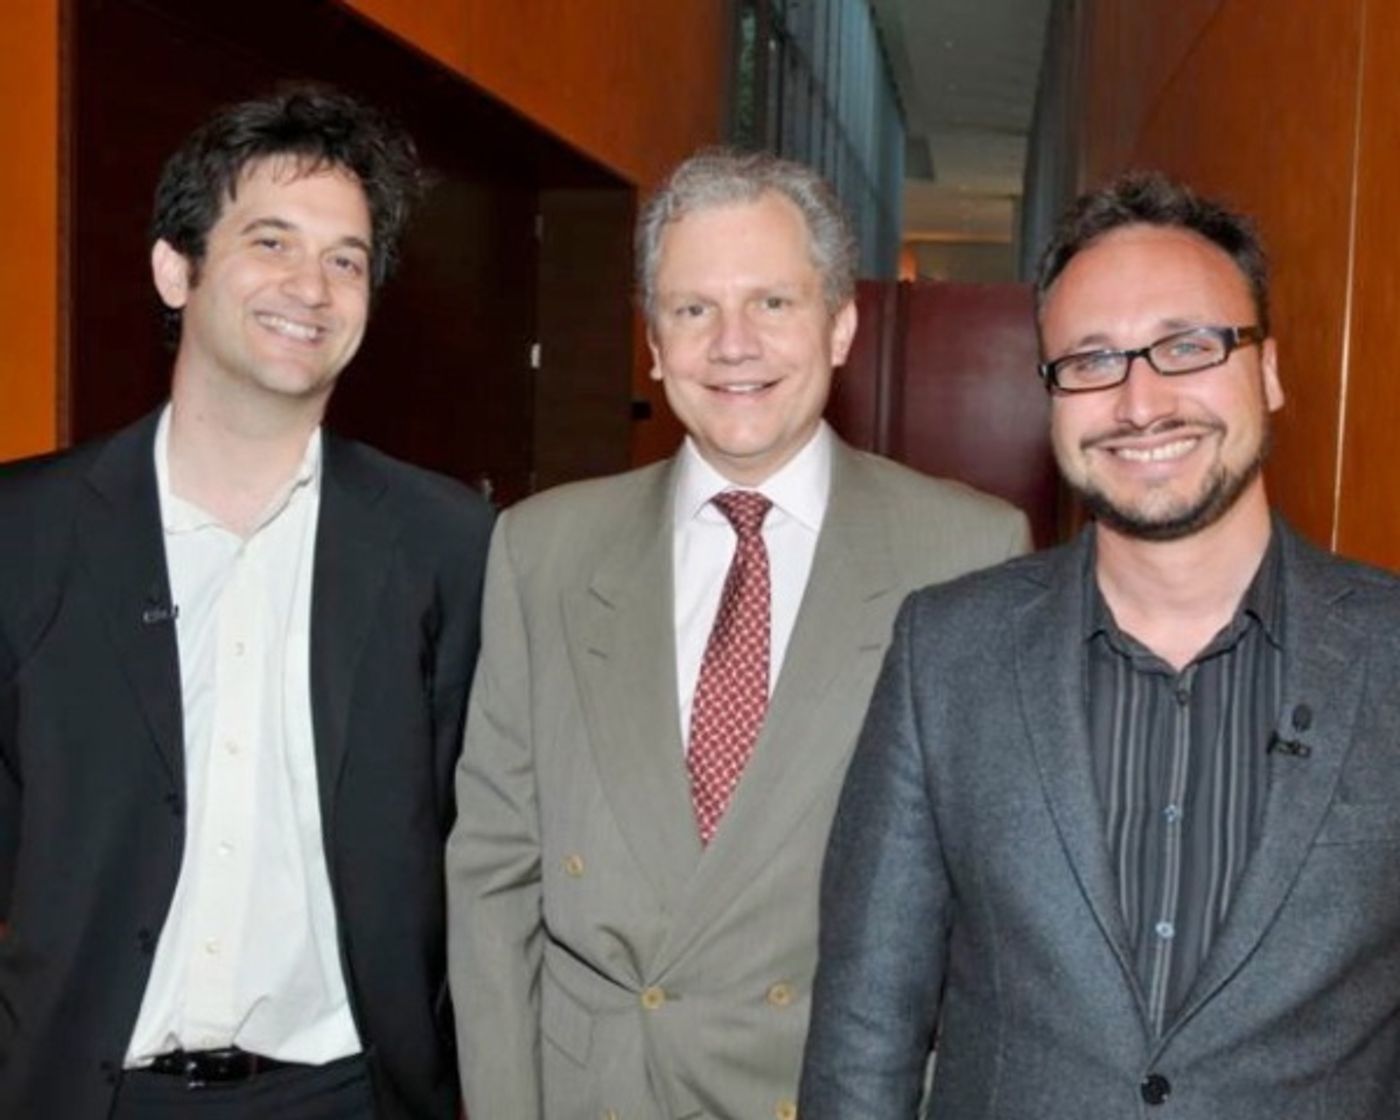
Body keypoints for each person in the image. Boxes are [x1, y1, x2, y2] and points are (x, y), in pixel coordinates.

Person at [799, 171, 1400, 1119]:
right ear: (1049, 398)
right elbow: (866, 1025)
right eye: (1090, 362)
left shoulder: (1390, 654)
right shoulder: (945, 653)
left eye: (1189, 346)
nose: (1140, 400)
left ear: (1270, 371)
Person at [445, 149, 1029, 1120]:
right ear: (652, 343)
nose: (731, 345)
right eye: (691, 310)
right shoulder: (542, 550)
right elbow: (493, 875)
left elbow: (990, 915)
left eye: (771, 303)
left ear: (839, 324)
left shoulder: (965, 551)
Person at [0, 87, 493, 1118]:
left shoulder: (448, 545)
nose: (310, 287)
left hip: (349, 1094)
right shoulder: (26, 531)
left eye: (346, 259)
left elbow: (476, 846)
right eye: (271, 241)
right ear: (175, 269)